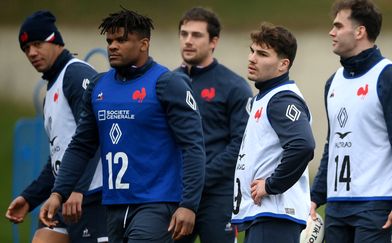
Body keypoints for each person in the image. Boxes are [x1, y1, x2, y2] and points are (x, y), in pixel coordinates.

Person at [38, 7, 206, 243]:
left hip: (156, 204)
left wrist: (189, 204)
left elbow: (193, 146)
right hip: (114, 205)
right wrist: (59, 192)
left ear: (144, 44)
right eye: (109, 41)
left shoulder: (167, 83)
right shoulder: (98, 87)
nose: (112, 46)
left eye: (121, 40)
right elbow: (81, 146)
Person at [310, 0, 392, 242]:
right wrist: (315, 197)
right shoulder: (333, 82)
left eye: (338, 26)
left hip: (376, 206)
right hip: (337, 207)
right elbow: (333, 146)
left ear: (360, 31)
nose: (331, 32)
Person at [5, 10, 108, 243]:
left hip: (92, 196)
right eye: (26, 48)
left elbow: (95, 136)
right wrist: (30, 198)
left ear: (55, 40)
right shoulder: (52, 87)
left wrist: (78, 189)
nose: (32, 53)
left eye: (38, 44)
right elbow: (58, 158)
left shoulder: (75, 74)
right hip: (63, 196)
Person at [231, 23, 315, 243]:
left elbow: (303, 145)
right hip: (263, 216)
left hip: (275, 216)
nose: (252, 58)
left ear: (283, 64)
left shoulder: (281, 99)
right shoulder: (265, 97)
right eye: (252, 51)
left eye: (262, 54)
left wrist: (271, 185)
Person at [174, 7, 253, 243]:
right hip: (175, 195)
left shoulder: (234, 86)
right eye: (184, 34)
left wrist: (200, 177)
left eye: (196, 35)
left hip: (218, 196)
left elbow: (240, 145)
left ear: (213, 41)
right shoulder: (168, 83)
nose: (188, 41)